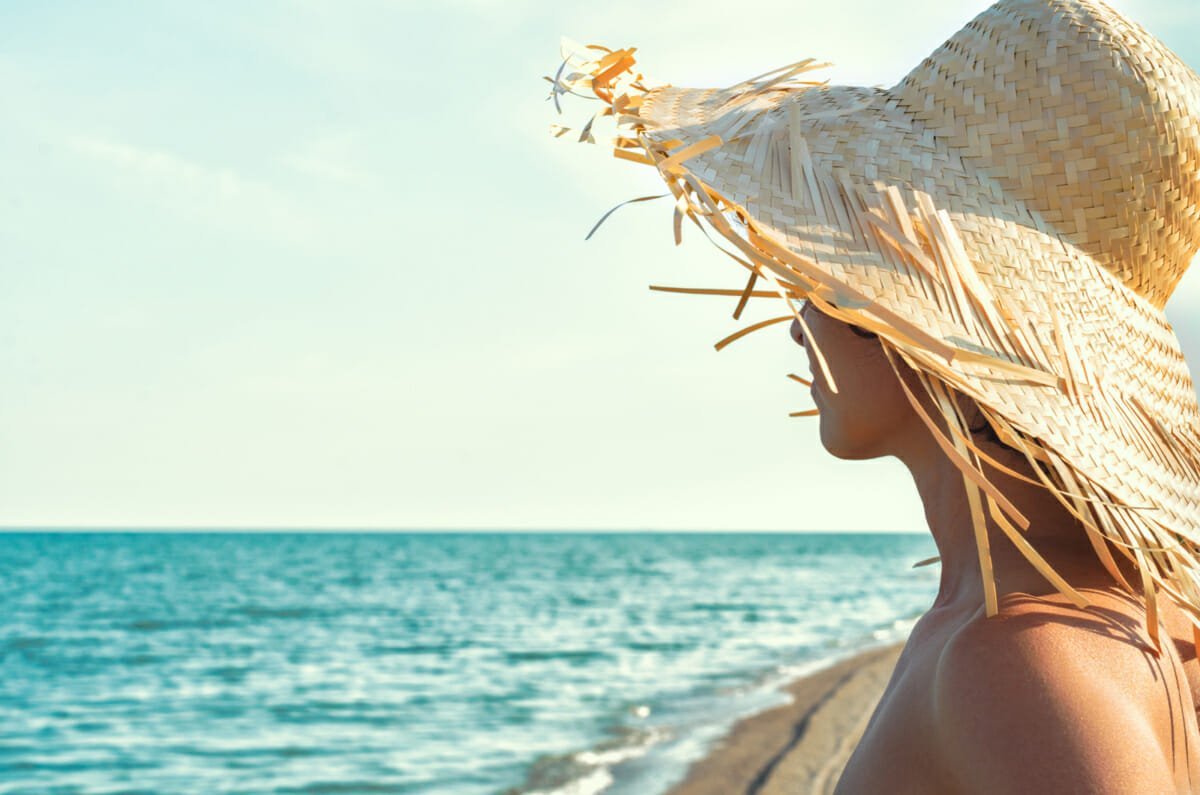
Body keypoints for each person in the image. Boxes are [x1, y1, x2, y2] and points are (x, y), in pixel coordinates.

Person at [547, 0, 1200, 790]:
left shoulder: (1016, 657)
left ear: (919, 319)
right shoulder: (1115, 619)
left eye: (828, 281)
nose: (798, 323)